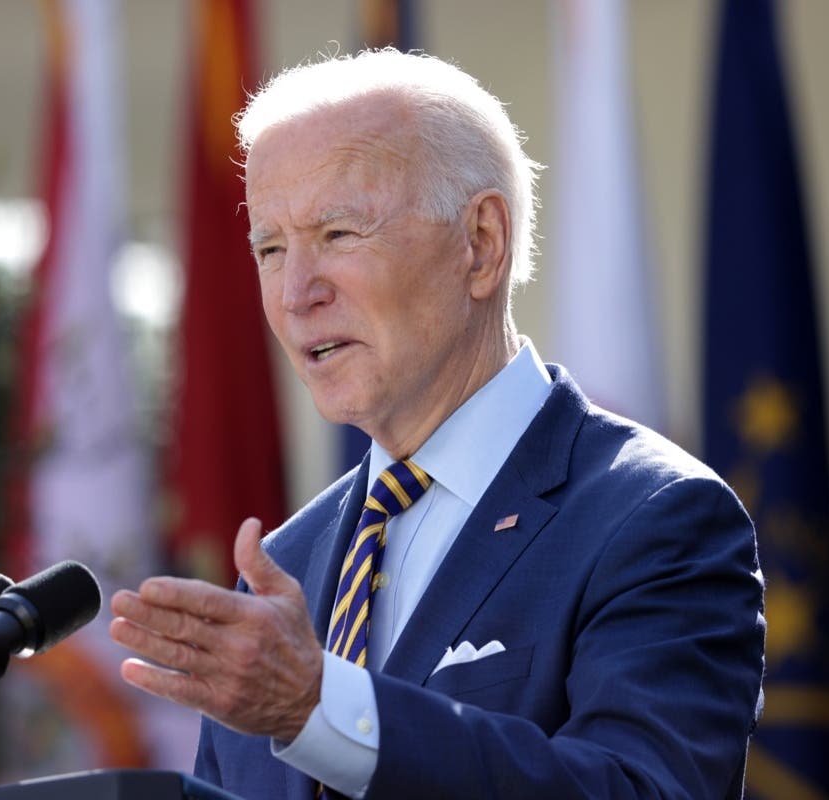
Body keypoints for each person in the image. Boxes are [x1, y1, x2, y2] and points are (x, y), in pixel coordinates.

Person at [109, 49, 765, 799]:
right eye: (270, 248)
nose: (296, 293)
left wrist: (321, 709)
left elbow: (641, 790)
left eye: (338, 234)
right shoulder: (284, 566)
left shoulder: (653, 517)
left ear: (481, 244)